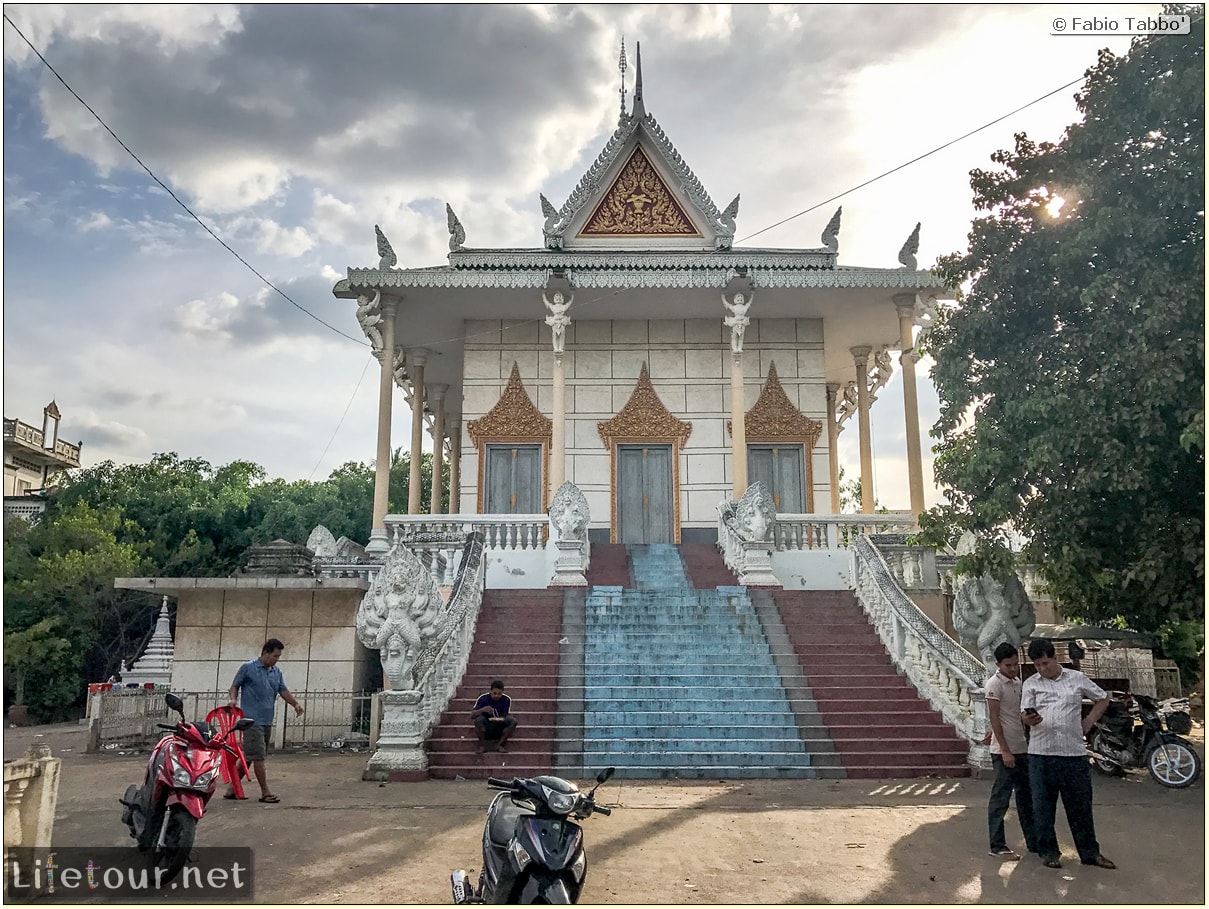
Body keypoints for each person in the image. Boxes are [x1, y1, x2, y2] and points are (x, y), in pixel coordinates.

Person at [1021, 638, 1115, 870]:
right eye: (1038, 665)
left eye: (1046, 663)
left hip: (1073, 754)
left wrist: (1089, 720)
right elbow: (1024, 714)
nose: (1043, 669)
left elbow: (1103, 698)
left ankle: (1090, 853)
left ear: (1054, 658)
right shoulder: (1031, 684)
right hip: (1040, 754)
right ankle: (1049, 852)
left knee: (1080, 807)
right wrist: (1028, 719)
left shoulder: (1076, 678)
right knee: (1043, 807)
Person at [224, 638, 304, 803]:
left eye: (278, 657)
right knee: (259, 756)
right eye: (275, 656)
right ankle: (265, 792)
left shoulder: (276, 672)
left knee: (250, 756)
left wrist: (295, 704)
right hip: (251, 721)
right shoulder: (248, 668)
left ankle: (233, 788)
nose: (276, 659)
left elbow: (283, 690)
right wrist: (233, 700)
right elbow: (234, 686)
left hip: (267, 719)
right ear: (265, 653)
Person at [984, 642, 1037, 860]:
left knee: (1027, 798)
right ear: (998, 664)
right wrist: (1004, 750)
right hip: (1004, 750)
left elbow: (1014, 713)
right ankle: (997, 845)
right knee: (1001, 798)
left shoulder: (1017, 682)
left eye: (1016, 664)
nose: (1013, 669)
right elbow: (994, 717)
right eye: (1008, 665)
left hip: (1022, 746)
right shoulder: (994, 684)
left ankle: (1033, 841)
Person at [471, 679, 517, 754]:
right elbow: (472, 715)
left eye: (499, 694)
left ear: (502, 693)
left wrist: (500, 719)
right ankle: (482, 746)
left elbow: (505, 715)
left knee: (513, 721)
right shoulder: (483, 699)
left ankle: (500, 745)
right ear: (490, 691)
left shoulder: (506, 700)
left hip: (499, 725)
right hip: (486, 725)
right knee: (478, 720)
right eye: (494, 693)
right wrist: (482, 710)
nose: (496, 696)